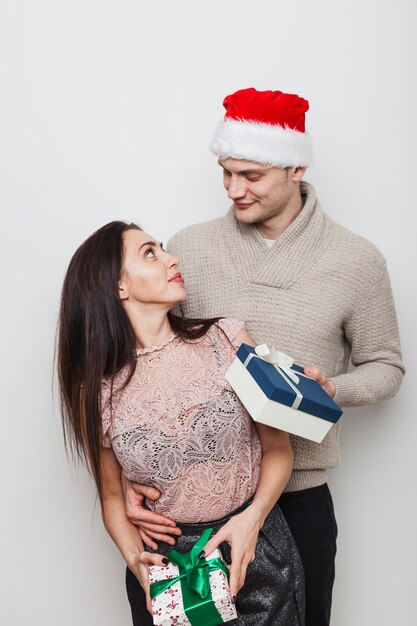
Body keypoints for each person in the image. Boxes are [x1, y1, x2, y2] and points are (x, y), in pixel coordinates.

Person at [122, 88, 405, 626]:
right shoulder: (190, 248)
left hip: (298, 500)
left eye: (251, 176)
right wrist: (125, 486)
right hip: (190, 510)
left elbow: (387, 367)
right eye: (226, 173)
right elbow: (143, 365)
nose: (234, 189)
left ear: (296, 166)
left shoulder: (356, 260)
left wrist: (334, 387)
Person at [58, 220, 346, 625]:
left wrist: (253, 518)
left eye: (161, 247)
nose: (171, 258)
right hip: (170, 570)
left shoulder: (226, 339)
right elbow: (111, 497)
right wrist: (135, 561)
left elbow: (278, 449)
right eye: (150, 253)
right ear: (117, 286)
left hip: (254, 547)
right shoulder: (98, 390)